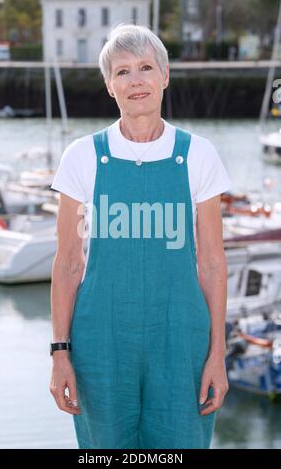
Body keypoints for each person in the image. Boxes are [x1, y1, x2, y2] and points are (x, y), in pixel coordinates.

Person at [49, 23, 232, 449]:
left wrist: (217, 354)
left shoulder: (199, 155)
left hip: (183, 343)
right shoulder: (81, 158)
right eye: (123, 71)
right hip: (100, 346)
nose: (136, 81)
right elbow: (69, 264)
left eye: (146, 67)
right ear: (109, 85)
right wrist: (60, 354)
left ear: (165, 76)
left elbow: (211, 263)